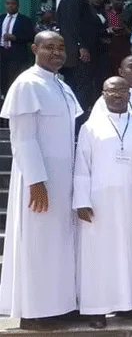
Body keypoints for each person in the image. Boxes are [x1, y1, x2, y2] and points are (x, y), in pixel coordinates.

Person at [0, 31, 81, 331]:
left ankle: (59, 305)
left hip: (62, 177)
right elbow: (22, 138)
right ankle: (34, 311)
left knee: (60, 243)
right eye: (49, 47)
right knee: (37, 243)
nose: (57, 53)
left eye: (61, 47)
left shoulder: (60, 85)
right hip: (40, 178)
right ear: (34, 49)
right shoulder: (27, 84)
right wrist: (36, 181)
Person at [73, 77, 132, 329]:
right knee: (100, 254)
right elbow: (81, 168)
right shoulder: (90, 127)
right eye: (112, 90)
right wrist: (82, 200)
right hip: (100, 201)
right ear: (103, 94)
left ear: (130, 94)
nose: (117, 95)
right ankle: (97, 308)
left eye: (122, 91)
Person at [57, 0, 99, 121]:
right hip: (77, 54)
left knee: (74, 87)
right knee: (80, 88)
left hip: (73, 52)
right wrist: (81, 45)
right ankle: (78, 121)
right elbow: (73, 25)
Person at [0, 0, 35, 101]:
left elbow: (31, 37)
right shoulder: (1, 18)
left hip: (16, 54)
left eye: (13, 4)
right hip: (2, 53)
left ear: (18, 6)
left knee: (13, 80)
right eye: (8, 3)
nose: (10, 6)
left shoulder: (24, 20)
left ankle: (14, 100)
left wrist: (15, 37)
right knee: (3, 79)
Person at [106, 0, 131, 76]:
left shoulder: (128, 14)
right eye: (118, 0)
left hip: (123, 47)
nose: (120, 2)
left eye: (122, 0)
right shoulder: (106, 13)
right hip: (109, 47)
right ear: (111, 0)